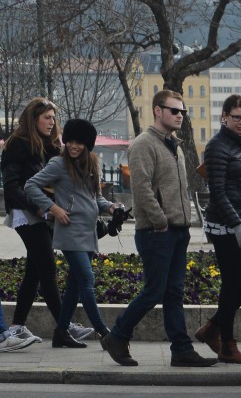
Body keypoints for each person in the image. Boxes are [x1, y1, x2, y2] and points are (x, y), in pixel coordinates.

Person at [102, 90, 217, 368]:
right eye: (174, 110)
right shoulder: (143, 144)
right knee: (155, 290)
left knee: (174, 292)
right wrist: (160, 221)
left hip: (178, 229)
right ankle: (117, 335)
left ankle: (181, 350)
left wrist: (183, 218)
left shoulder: (173, 145)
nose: (180, 115)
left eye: (182, 112)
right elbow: (141, 188)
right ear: (157, 111)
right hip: (157, 231)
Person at [22, 119, 123, 347]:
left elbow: (96, 198)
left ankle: (61, 332)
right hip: (69, 231)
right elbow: (30, 185)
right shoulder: (59, 164)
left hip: (88, 233)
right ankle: (105, 333)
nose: (73, 146)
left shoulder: (92, 165)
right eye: (70, 141)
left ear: (88, 145)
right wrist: (53, 208)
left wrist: (111, 207)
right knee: (87, 279)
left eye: (79, 142)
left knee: (76, 285)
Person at [2, 98, 92, 345]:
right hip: (25, 212)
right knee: (48, 267)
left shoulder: (51, 146)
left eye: (54, 118)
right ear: (34, 118)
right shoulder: (17, 145)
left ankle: (18, 326)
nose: (52, 123)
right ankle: (64, 328)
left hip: (44, 212)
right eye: (47, 118)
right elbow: (11, 187)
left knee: (35, 271)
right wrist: (40, 208)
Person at [195, 94, 241, 364]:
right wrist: (236, 226)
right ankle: (227, 345)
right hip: (225, 226)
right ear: (224, 116)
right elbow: (218, 192)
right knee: (232, 284)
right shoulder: (217, 146)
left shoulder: (240, 143)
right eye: (236, 117)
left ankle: (212, 329)